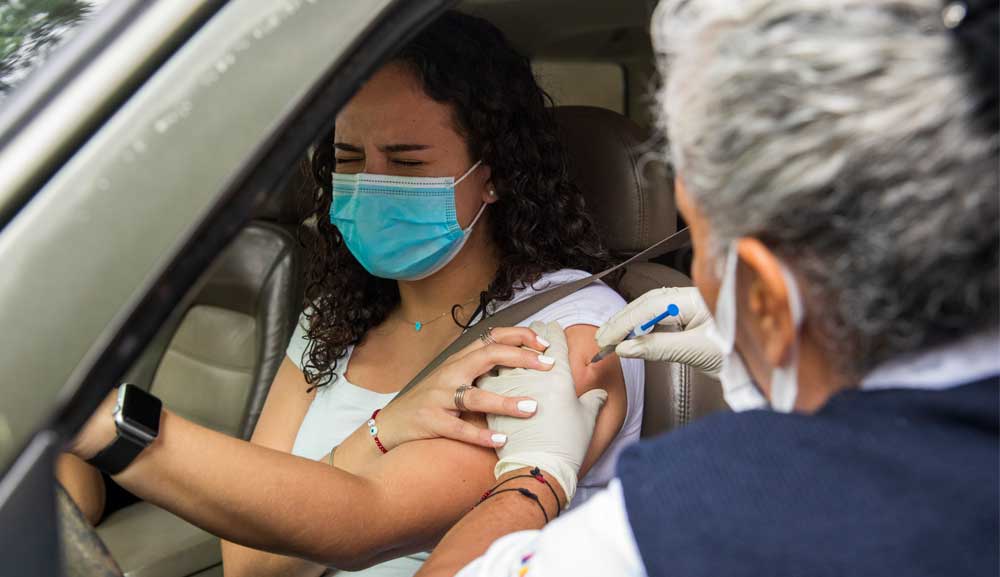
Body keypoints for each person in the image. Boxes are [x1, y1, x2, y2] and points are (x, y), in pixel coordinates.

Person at [417, 0, 999, 575]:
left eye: (697, 239)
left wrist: (534, 476)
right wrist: (757, 369)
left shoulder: (694, 514)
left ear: (765, 299)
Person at [66, 10, 643, 577]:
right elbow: (248, 562)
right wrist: (383, 429)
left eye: (406, 161)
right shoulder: (334, 320)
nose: (371, 184)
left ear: (494, 172)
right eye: (348, 159)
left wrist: (106, 421)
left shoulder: (569, 330)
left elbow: (366, 520)